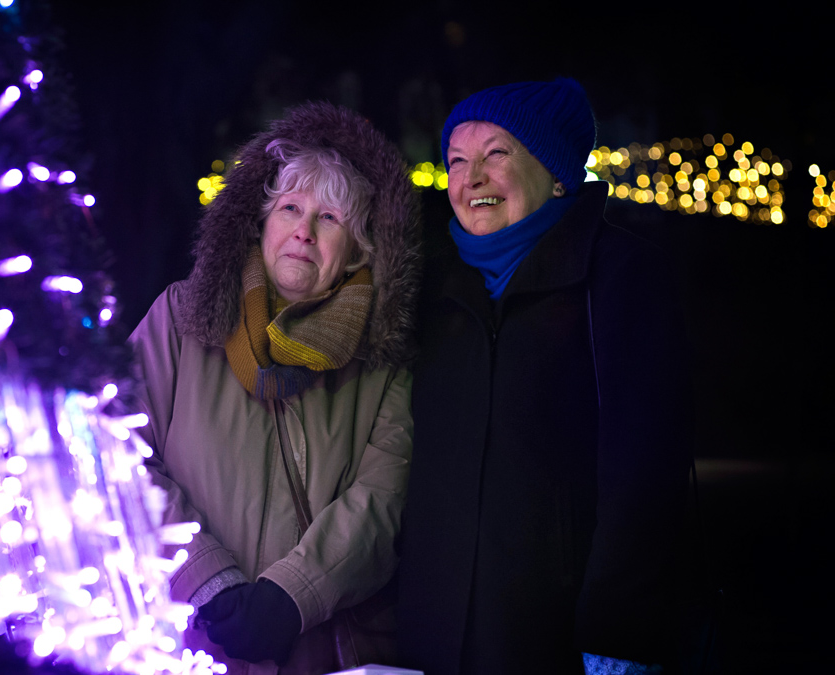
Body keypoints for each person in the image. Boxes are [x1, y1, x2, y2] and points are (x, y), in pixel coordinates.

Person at [397, 78, 693, 675]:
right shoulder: (431, 283)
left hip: (556, 633)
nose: (470, 177)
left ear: (556, 171)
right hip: (432, 627)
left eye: (496, 154)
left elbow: (645, 471)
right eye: (457, 160)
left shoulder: (619, 276)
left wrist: (617, 632)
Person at [129, 102, 421, 674]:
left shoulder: (384, 358)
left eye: (330, 218)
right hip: (184, 641)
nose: (304, 232)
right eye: (290, 207)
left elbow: (383, 497)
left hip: (319, 648)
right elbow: (121, 453)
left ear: (360, 248)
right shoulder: (181, 318)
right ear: (261, 221)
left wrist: (291, 596)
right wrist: (206, 577)